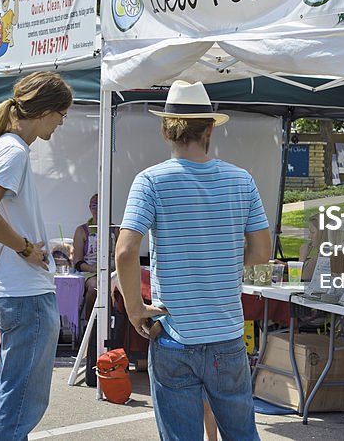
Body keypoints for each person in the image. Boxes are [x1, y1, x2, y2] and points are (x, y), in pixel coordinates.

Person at [115, 80, 272, 441]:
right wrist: (223, 261)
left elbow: (124, 252)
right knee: (242, 434)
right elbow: (262, 252)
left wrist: (136, 309)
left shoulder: (150, 182)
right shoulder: (241, 180)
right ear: (211, 128)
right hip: (227, 335)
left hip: (173, 333)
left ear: (165, 129)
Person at [0, 71, 73, 440]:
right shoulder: (14, 149)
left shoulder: (8, 147)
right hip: (24, 292)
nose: (61, 122)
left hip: (14, 289)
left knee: (11, 395)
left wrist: (33, 244)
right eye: (62, 114)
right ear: (46, 110)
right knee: (21, 402)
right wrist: (26, 248)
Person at [72, 193, 114, 320]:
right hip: (90, 272)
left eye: (99, 205)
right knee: (95, 286)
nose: (96, 209)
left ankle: (117, 328)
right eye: (94, 205)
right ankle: (91, 324)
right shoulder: (82, 231)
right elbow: (77, 262)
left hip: (112, 271)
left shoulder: (115, 230)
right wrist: (95, 269)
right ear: (89, 208)